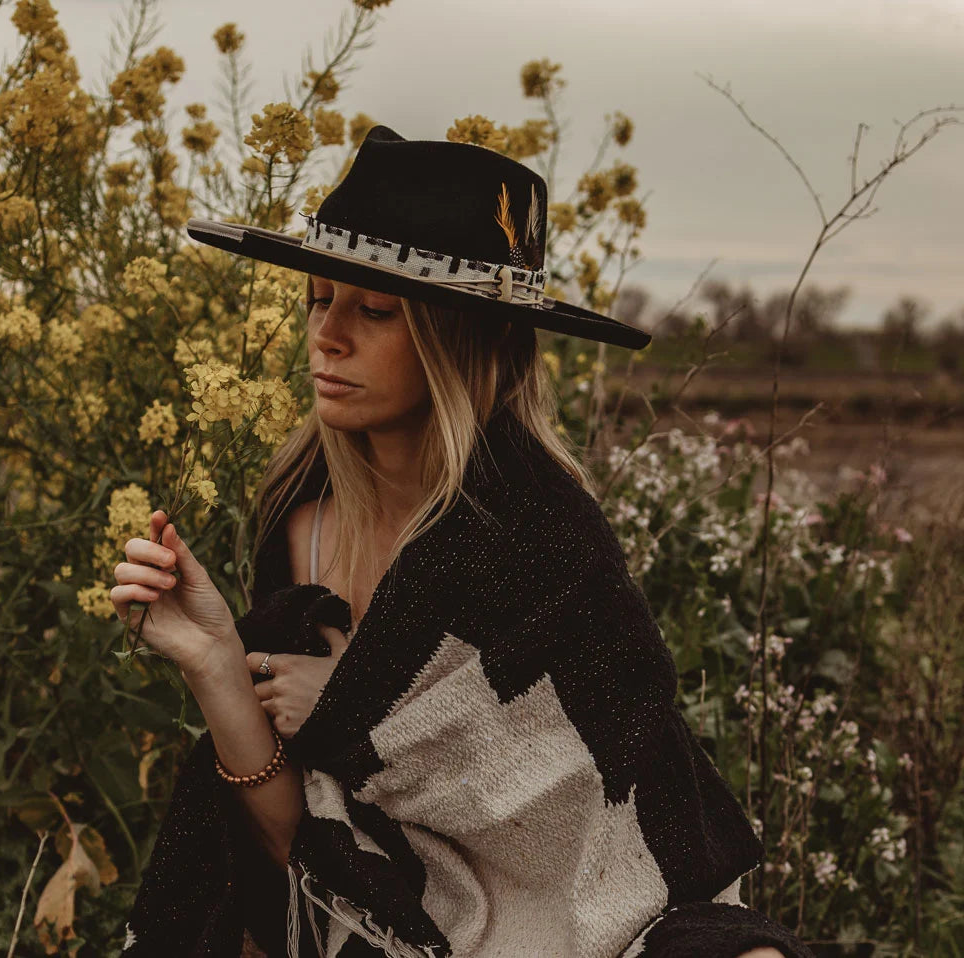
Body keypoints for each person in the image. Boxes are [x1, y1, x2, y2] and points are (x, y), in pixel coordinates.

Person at [112, 125, 812, 958]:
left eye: (374, 310)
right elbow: (297, 849)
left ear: (462, 340)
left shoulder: (543, 539)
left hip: (585, 926)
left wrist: (358, 715)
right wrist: (217, 660)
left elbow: (616, 817)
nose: (328, 335)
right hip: (379, 924)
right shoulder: (302, 522)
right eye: (319, 300)